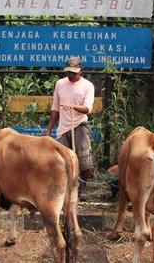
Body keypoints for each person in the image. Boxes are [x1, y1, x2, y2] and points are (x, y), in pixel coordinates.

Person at [45, 56, 95, 201]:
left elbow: (87, 108)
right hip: (63, 127)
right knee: (58, 160)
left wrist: (74, 107)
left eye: (74, 72)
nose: (71, 75)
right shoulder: (60, 84)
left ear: (81, 70)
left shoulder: (87, 85)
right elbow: (55, 108)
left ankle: (83, 188)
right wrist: (49, 130)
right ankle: (61, 187)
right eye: (68, 72)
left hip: (80, 125)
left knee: (84, 160)